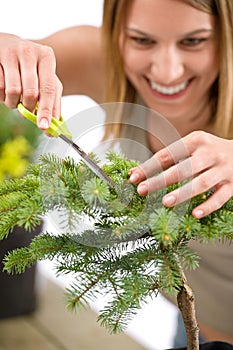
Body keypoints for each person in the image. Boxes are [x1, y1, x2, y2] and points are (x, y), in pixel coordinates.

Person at [0, 0, 232, 346]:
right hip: (196, 326)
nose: (167, 71)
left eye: (194, 41)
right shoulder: (101, 60)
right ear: (114, 32)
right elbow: (13, 59)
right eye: (141, 40)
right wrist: (8, 47)